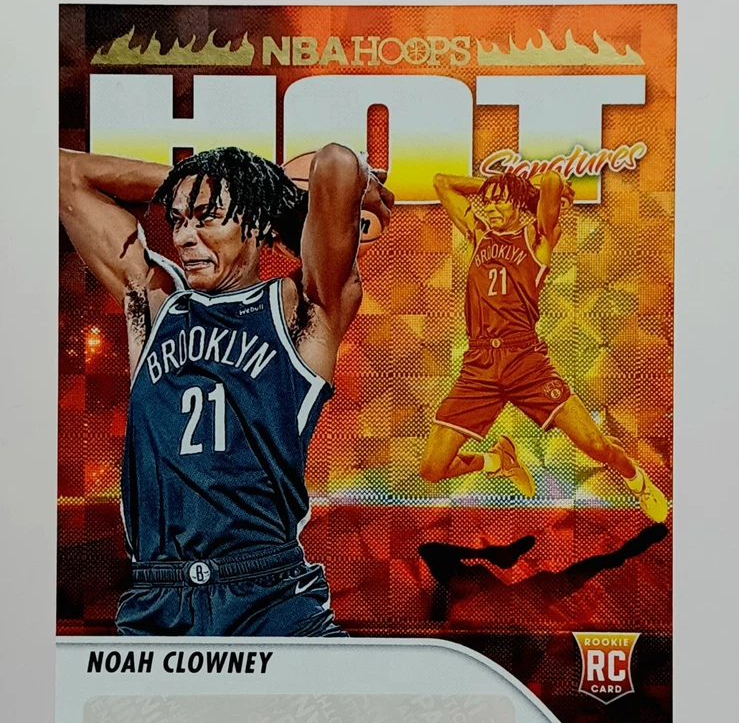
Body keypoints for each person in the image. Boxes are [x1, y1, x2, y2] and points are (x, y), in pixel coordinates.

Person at [59, 144, 393, 636]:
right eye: (177, 221)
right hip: (159, 601)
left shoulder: (302, 308)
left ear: (254, 224)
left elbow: (337, 164)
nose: (183, 237)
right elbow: (65, 175)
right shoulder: (156, 305)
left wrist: (253, 190)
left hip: (269, 599)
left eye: (207, 218)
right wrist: (199, 183)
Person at [419, 169, 668, 523]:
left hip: (525, 362)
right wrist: (494, 187)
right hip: (479, 365)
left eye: (500, 201)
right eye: (487, 202)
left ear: (519, 204)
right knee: (432, 468)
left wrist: (518, 189)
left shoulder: (537, 237)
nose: (491, 208)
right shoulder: (478, 234)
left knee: (595, 445)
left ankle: (637, 480)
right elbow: (441, 182)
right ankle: (498, 461)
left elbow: (551, 180)